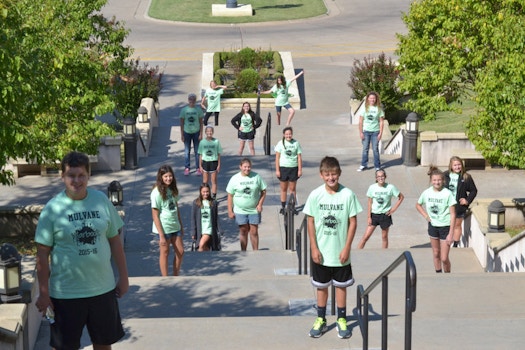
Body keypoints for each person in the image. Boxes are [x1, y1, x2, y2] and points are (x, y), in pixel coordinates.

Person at [35, 151, 128, 350]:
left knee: (103, 344)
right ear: (62, 177)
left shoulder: (101, 200)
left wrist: (124, 277)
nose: (76, 181)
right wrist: (43, 292)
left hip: (102, 289)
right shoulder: (52, 209)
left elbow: (115, 241)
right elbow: (42, 253)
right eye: (71, 175)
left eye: (81, 175)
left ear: (88, 175)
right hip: (65, 293)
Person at [303, 156, 363, 339]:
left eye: (334, 174)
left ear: (339, 174)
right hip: (321, 252)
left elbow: (353, 222)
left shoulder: (348, 195)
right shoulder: (315, 195)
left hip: (340, 252)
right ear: (321, 175)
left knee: (341, 287)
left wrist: (347, 247)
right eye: (327, 174)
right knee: (321, 287)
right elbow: (310, 221)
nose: (331, 178)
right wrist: (314, 247)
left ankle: (341, 319)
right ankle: (321, 319)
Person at [416, 166, 457, 273]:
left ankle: (448, 275)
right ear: (431, 181)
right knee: (436, 253)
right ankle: (438, 274)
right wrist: (426, 216)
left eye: (439, 180)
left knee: (444, 258)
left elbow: (453, 214)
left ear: (443, 180)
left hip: (445, 227)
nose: (437, 182)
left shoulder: (447, 193)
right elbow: (418, 205)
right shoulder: (427, 193)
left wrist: (451, 233)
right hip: (433, 226)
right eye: (434, 180)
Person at [226, 158, 267, 251]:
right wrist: (229, 210)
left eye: (249, 167)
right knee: (243, 231)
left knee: (254, 231)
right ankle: (243, 251)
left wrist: (260, 204)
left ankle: (255, 252)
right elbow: (230, 195)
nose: (247, 169)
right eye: (245, 167)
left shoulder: (256, 177)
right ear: (240, 167)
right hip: (240, 210)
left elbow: (263, 191)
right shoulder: (235, 178)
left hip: (254, 210)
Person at [357, 169, 404, 249]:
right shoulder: (372, 188)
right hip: (374, 215)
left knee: (384, 237)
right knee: (366, 237)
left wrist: (393, 209)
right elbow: (369, 202)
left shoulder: (390, 187)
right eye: (378, 176)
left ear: (385, 177)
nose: (380, 178)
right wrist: (369, 217)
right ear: (376, 178)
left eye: (382, 176)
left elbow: (401, 197)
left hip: (385, 215)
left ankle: (384, 254)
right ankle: (356, 254)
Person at [151, 165, 184, 276]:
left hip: (175, 226)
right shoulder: (156, 193)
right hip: (164, 228)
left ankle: (175, 275)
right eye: (165, 176)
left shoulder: (173, 189)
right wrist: (161, 235)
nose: (168, 178)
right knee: (165, 252)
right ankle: (165, 278)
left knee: (180, 251)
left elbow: (176, 207)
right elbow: (155, 215)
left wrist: (181, 225)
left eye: (170, 176)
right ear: (161, 177)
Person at [444, 156, 478, 247]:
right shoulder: (445, 176)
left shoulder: (466, 177)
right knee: (446, 225)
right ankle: (444, 243)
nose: (457, 167)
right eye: (455, 165)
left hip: (459, 207)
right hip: (446, 206)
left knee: (457, 225)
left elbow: (473, 191)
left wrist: (467, 200)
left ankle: (455, 244)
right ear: (451, 166)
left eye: (459, 165)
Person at [274, 126, 303, 214]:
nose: (288, 136)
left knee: (292, 188)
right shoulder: (280, 143)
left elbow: (299, 157)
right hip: (283, 168)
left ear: (292, 134)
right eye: (286, 134)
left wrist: (300, 169)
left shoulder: (296, 143)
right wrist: (277, 170)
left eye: (290, 134)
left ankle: (292, 207)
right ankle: (283, 207)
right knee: (283, 188)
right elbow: (277, 158)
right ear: (284, 135)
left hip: (293, 168)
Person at [357, 91, 385, 172]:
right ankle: (363, 164)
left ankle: (377, 166)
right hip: (366, 131)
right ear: (368, 99)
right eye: (370, 98)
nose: (372, 99)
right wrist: (361, 132)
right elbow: (360, 121)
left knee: (375, 149)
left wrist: (380, 133)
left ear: (376, 99)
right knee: (365, 149)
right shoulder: (364, 108)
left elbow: (381, 122)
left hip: (375, 132)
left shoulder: (379, 109)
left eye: (374, 98)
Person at [191, 183, 221, 251]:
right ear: (200, 192)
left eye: (207, 191)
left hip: (209, 229)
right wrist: (193, 232)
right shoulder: (196, 203)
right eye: (203, 192)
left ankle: (198, 260)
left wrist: (219, 230)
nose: (205, 194)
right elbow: (193, 219)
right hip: (200, 229)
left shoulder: (213, 202)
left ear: (209, 192)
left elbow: (216, 217)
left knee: (201, 245)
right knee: (205, 247)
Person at [180, 93, 204, 176]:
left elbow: (201, 123)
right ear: (188, 100)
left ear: (195, 100)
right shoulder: (184, 110)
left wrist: (201, 134)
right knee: (187, 151)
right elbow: (182, 123)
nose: (192, 101)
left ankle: (198, 168)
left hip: (196, 132)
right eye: (190, 99)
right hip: (187, 132)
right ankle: (187, 168)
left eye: (193, 99)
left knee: (197, 151)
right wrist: (182, 134)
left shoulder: (198, 110)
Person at [198, 125, 222, 199]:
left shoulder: (216, 142)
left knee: (213, 181)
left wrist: (218, 165)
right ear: (205, 132)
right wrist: (200, 165)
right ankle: (204, 195)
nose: (209, 132)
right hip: (205, 162)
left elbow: (218, 154)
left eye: (211, 131)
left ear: (213, 132)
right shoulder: (202, 142)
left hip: (213, 162)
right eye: (208, 131)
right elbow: (200, 154)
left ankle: (214, 196)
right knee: (205, 181)